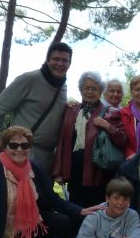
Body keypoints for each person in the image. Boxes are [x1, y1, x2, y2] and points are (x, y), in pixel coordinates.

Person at [0, 42, 73, 172]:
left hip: (48, 156)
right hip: (22, 150)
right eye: (56, 59)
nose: (60, 64)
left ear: (69, 64)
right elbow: (0, 106)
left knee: (40, 192)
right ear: (48, 60)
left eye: (65, 60)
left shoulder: (63, 86)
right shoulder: (30, 79)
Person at [51, 71, 127, 207]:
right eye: (86, 88)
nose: (90, 92)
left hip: (98, 172)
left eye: (94, 88)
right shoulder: (71, 110)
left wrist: (108, 126)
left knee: (97, 210)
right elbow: (62, 141)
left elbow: (122, 140)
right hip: (74, 171)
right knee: (75, 208)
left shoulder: (110, 112)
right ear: (81, 90)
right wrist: (59, 171)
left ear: (101, 91)